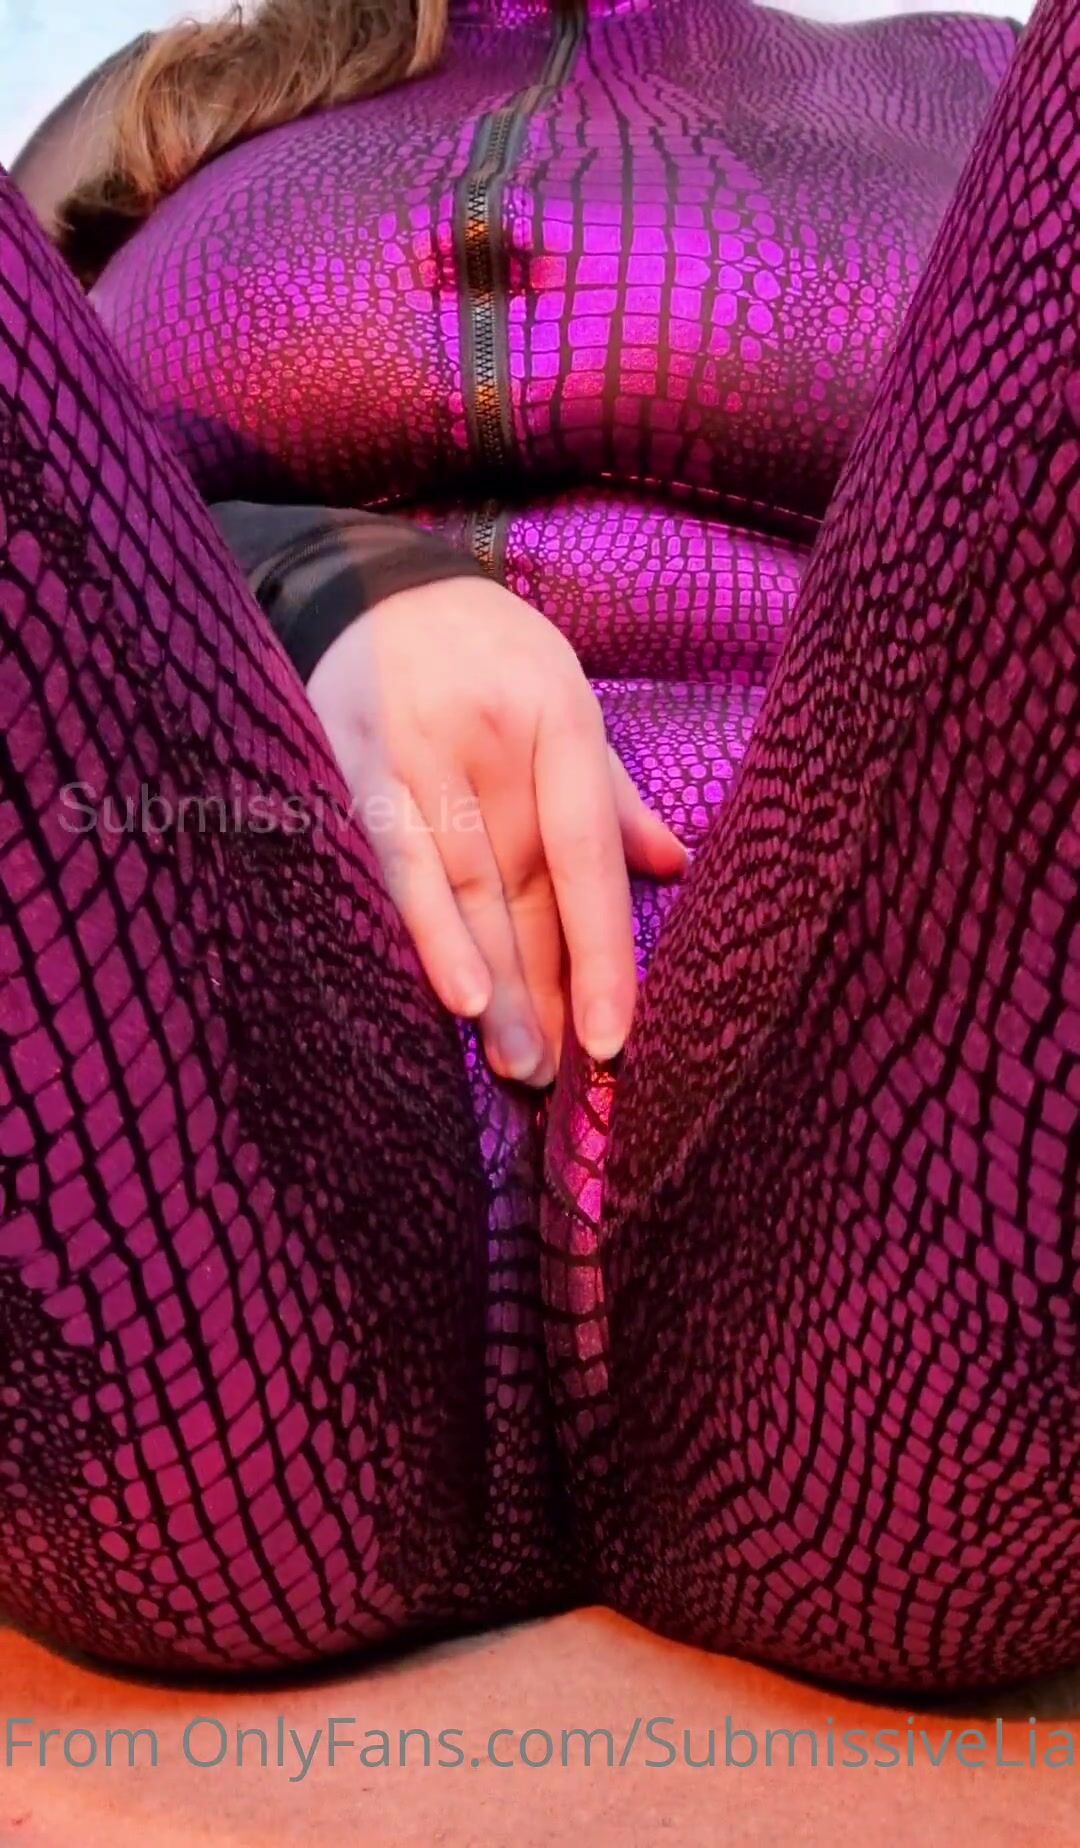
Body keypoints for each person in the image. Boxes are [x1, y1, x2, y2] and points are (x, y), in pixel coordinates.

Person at [0, 0, 1075, 1689]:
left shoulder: (987, 82)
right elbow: (61, 512)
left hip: (874, 1061)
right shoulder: (154, 114)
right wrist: (320, 578)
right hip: (213, 1061)